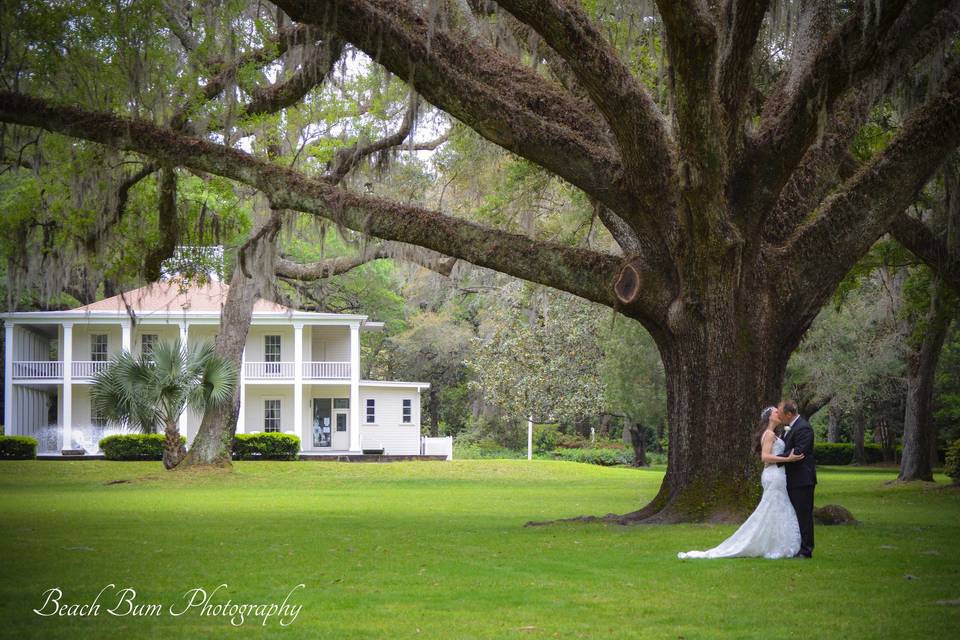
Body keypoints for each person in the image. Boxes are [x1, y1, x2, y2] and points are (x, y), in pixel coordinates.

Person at [677, 406, 803, 559]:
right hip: (774, 474)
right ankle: (769, 543)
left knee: (776, 507)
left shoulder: (776, 434)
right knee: (773, 506)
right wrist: (787, 459)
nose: (779, 413)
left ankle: (775, 543)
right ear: (770, 417)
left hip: (778, 475)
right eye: (776, 412)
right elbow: (765, 457)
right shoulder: (769, 434)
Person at [776, 399, 817, 558]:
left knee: (804, 514)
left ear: (789, 414)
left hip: (802, 480)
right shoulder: (789, 428)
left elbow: (799, 452)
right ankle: (796, 546)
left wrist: (775, 458)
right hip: (791, 478)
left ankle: (806, 549)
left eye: (780, 413)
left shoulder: (804, 428)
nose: (779, 416)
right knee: (794, 514)